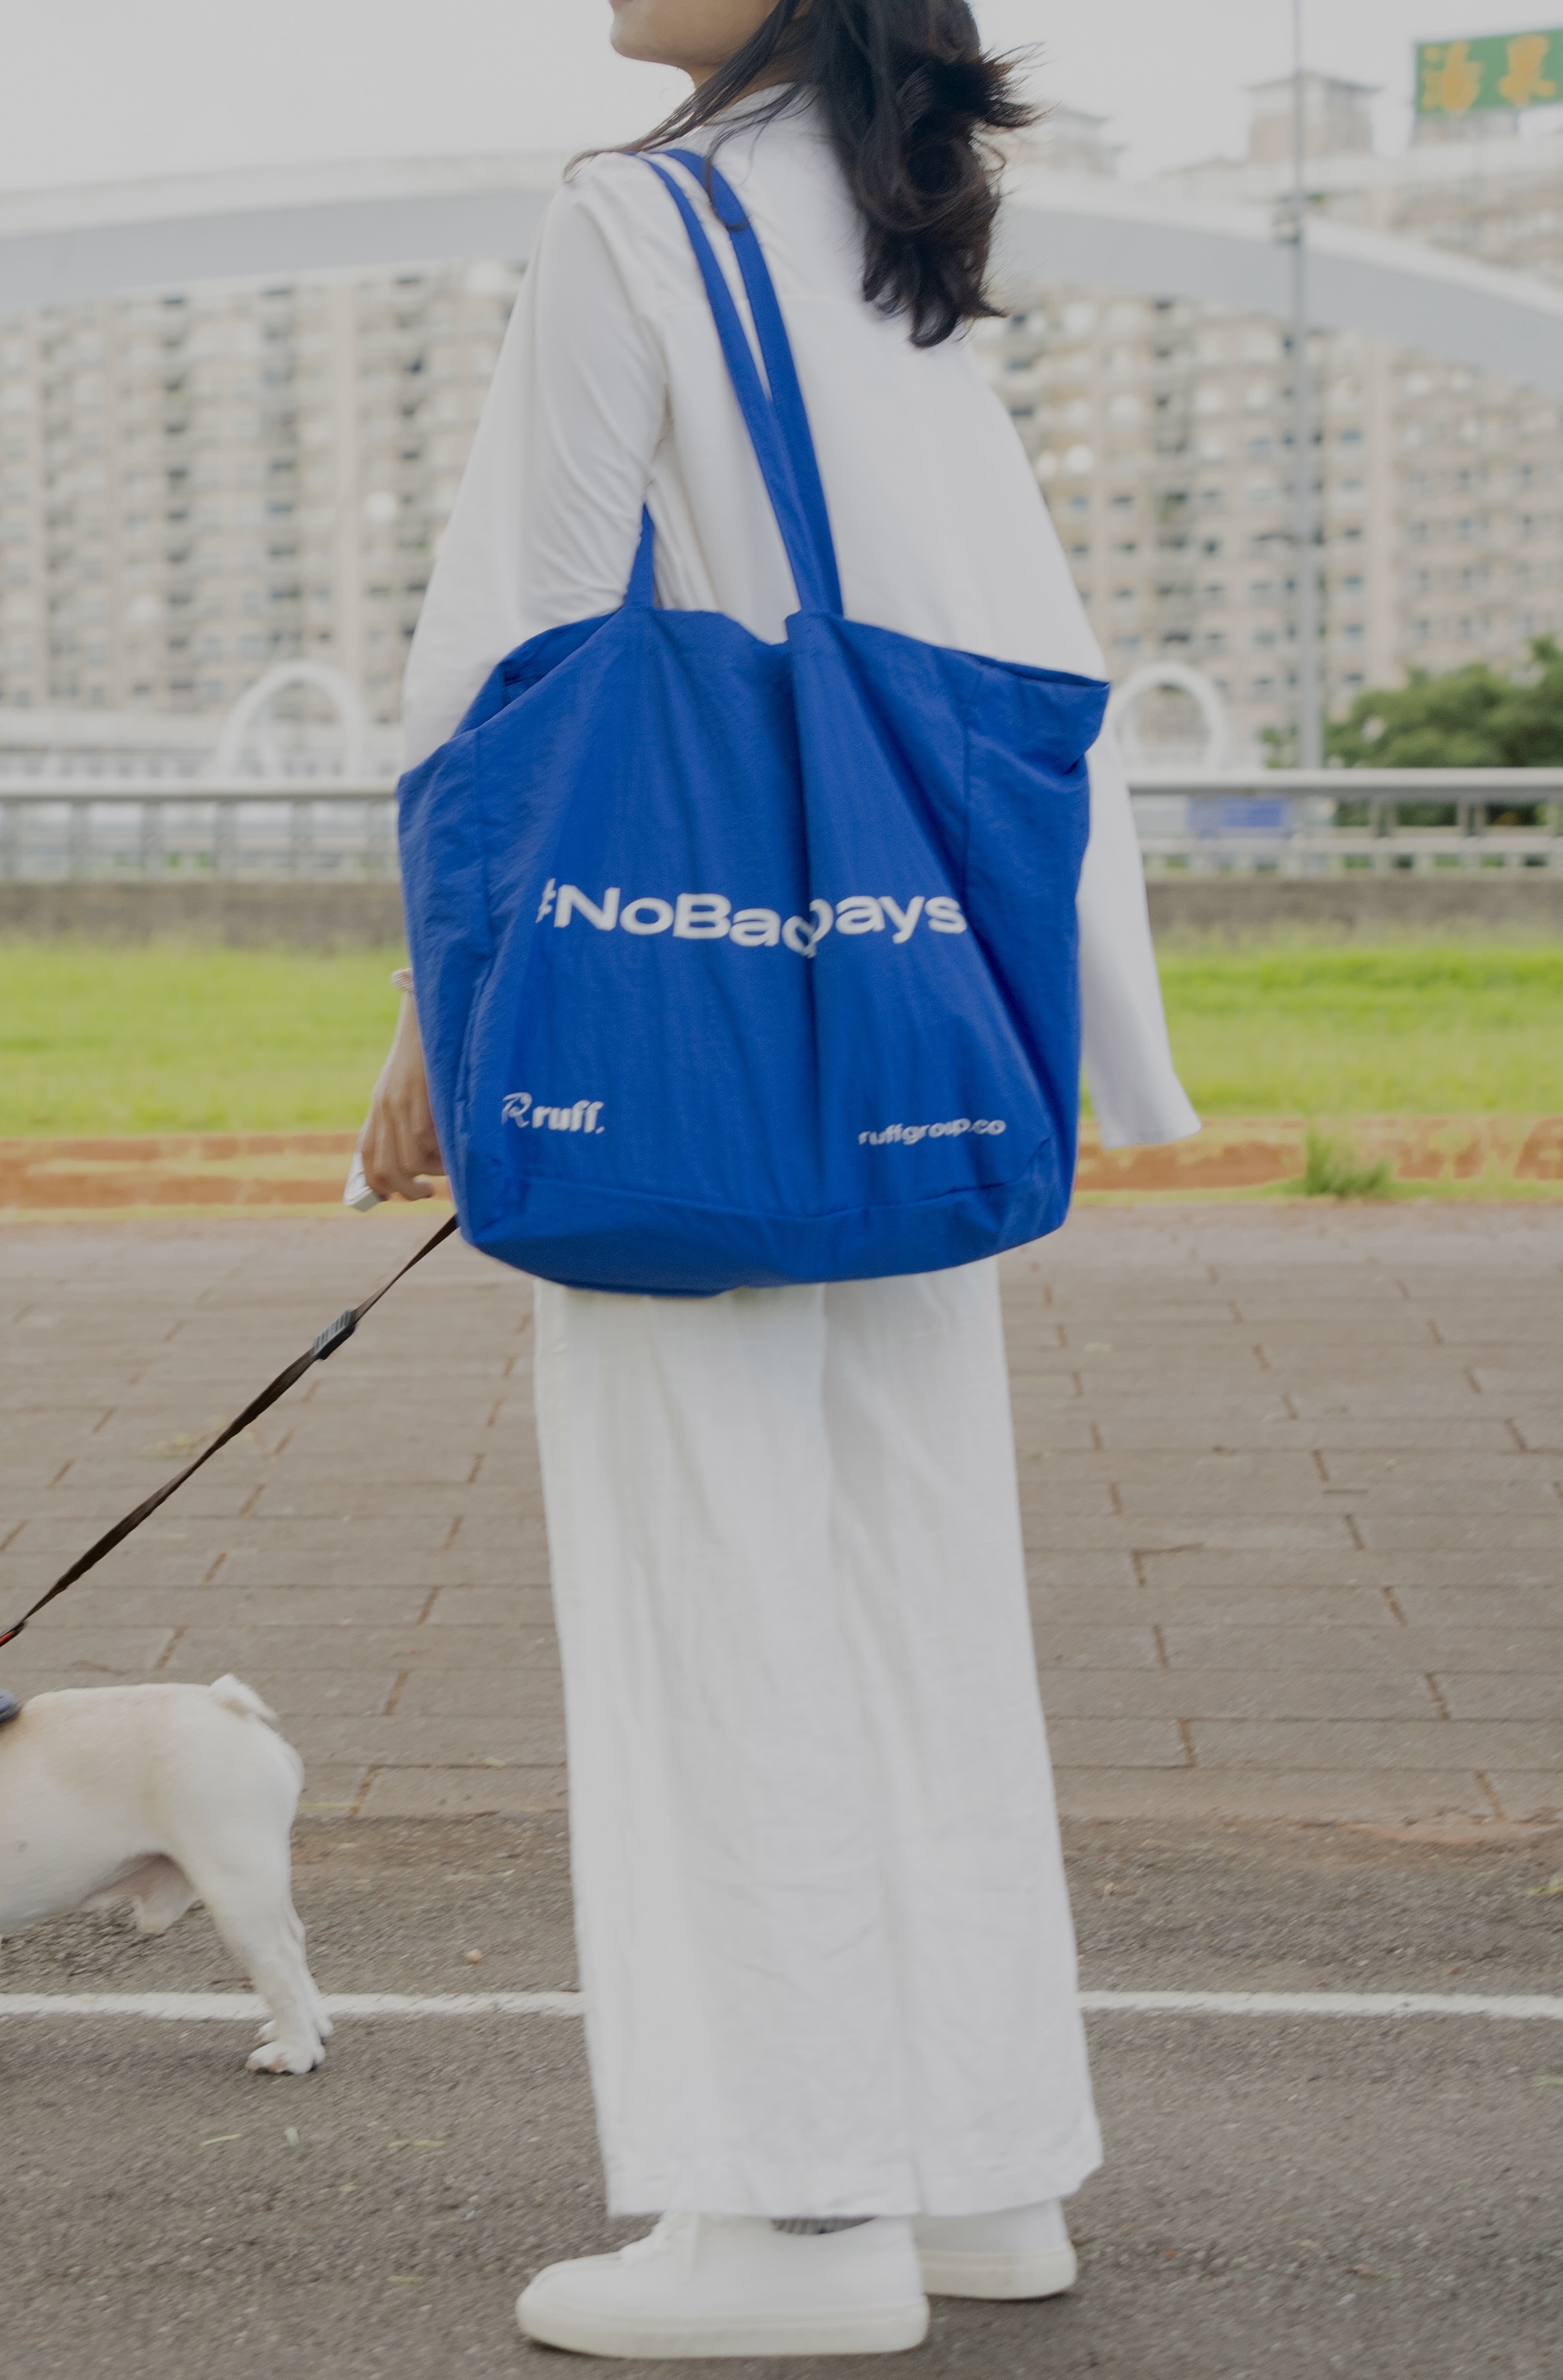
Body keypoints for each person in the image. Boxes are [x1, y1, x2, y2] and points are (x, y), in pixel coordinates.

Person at [356, 0, 1202, 2360]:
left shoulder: (645, 212)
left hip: (678, 1007)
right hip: (913, 1003)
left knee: (702, 1582)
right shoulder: (897, 218)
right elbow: (1019, 667)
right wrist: (1088, 1047)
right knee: (911, 1574)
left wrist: (449, 1002)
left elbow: (515, 643)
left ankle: (783, 2215)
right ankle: (971, 2169)